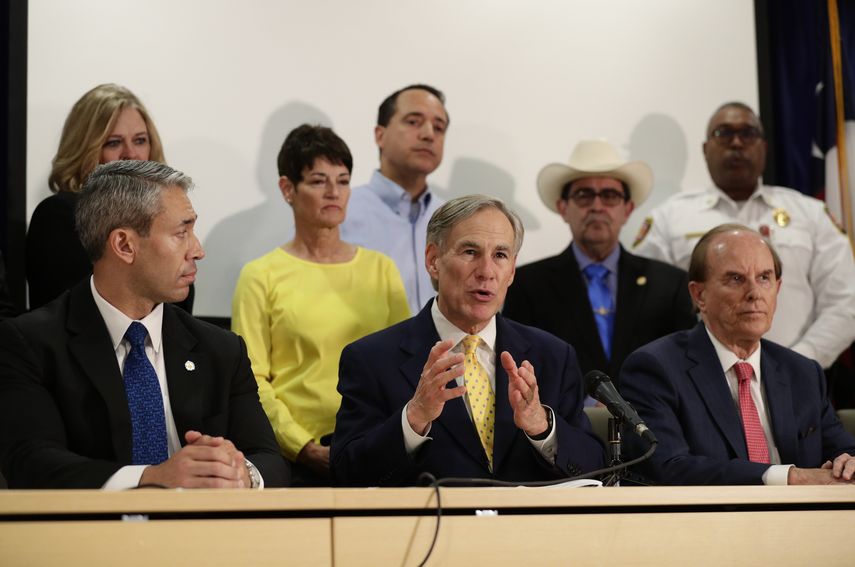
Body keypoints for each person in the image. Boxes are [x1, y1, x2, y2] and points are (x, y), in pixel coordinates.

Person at [0, 160, 289, 489]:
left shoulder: (220, 349)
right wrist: (151, 479)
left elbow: (269, 459)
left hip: (207, 534)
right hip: (90, 535)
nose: (198, 250)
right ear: (124, 245)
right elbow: (31, 461)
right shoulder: (30, 344)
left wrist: (241, 475)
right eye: (181, 233)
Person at [332, 195, 605, 486]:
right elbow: (346, 476)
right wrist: (413, 419)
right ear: (433, 260)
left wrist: (542, 427)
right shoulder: (372, 358)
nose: (486, 272)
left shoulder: (552, 356)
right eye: (470, 252)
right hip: (429, 528)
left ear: (511, 271)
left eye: (500, 255)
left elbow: (595, 469)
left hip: (528, 528)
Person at [232, 125, 410, 485]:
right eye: (318, 181)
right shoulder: (260, 275)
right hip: (294, 457)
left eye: (343, 181)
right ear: (287, 189)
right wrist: (302, 446)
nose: (334, 193)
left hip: (375, 447)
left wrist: (387, 440)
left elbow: (404, 366)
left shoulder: (381, 270)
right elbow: (252, 382)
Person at [621, 224, 855, 485]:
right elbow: (667, 467)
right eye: (736, 279)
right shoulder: (655, 368)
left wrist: (849, 463)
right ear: (699, 295)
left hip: (807, 522)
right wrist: (787, 477)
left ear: (777, 289)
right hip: (710, 522)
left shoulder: (802, 372)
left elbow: (843, 451)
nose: (754, 294)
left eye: (764, 278)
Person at [633, 102, 855, 368]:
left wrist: (799, 362)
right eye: (723, 133)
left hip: (796, 382)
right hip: (696, 382)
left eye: (748, 134)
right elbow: (646, 306)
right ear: (705, 150)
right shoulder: (668, 219)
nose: (736, 142)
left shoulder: (811, 214)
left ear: (764, 147)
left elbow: (846, 301)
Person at [503, 140, 695, 388]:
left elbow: (686, 367)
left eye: (610, 196)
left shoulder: (670, 284)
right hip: (563, 422)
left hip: (653, 421)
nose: (597, 206)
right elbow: (517, 367)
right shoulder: (527, 285)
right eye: (584, 195)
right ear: (563, 208)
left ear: (628, 209)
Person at [26, 83, 194, 312]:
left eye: (140, 140)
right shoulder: (59, 216)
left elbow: (180, 310)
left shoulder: (166, 216)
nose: (131, 154)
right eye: (114, 143)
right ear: (84, 148)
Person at [340, 84, 449, 314]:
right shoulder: (341, 212)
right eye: (413, 122)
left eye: (438, 127)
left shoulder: (453, 219)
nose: (429, 134)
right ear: (380, 135)